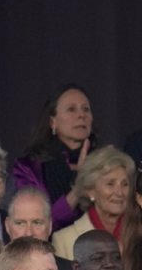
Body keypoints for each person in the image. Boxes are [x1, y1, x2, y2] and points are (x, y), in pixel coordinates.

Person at [11, 84, 98, 230]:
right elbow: (38, 225)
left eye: (86, 109)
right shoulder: (28, 168)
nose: (81, 115)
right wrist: (78, 190)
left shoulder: (106, 162)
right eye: (71, 109)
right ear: (52, 122)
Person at [52, 146, 134, 256]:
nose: (119, 192)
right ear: (90, 191)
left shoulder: (141, 234)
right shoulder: (64, 240)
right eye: (110, 184)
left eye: (125, 184)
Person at [3, 187, 80, 270]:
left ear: (49, 226)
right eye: (20, 223)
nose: (29, 232)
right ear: (8, 226)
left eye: (37, 223)